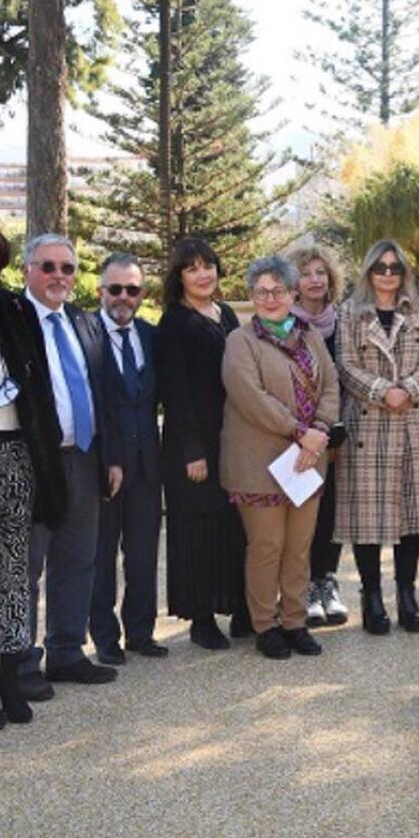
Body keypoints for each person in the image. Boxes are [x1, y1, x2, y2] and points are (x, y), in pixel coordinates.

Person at [0, 218, 64, 729]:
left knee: (14, 570)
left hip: (11, 451)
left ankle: (10, 667)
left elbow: (38, 387)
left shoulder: (14, 311)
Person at [19, 233, 121, 701]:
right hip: (30, 462)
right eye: (48, 267)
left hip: (83, 457)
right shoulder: (8, 320)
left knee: (78, 558)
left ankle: (66, 651)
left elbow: (104, 395)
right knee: (26, 566)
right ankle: (21, 662)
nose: (58, 276)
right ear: (26, 270)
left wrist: (110, 457)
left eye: (67, 268)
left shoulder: (83, 322)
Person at [221, 256, 339, 660]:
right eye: (261, 291)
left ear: (293, 294)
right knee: (267, 546)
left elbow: (330, 387)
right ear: (252, 296)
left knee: (299, 547)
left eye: (278, 290)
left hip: (307, 460)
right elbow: (249, 396)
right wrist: (299, 431)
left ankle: (295, 622)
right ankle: (266, 625)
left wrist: (319, 431)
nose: (270, 298)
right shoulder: (241, 341)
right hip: (260, 462)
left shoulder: (310, 336)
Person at [335, 240, 419, 635]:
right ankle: (371, 599)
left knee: (411, 516)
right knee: (366, 519)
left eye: (395, 268)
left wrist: (411, 390)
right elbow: (346, 364)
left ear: (404, 272)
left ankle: (407, 594)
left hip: (413, 422)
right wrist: (384, 390)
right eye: (380, 267)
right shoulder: (350, 311)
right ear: (368, 270)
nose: (388, 274)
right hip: (369, 425)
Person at [156, 238, 248, 650]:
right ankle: (201, 618)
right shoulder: (174, 323)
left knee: (231, 527)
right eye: (192, 268)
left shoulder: (225, 314)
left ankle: (239, 608)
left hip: (230, 438)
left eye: (208, 265)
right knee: (196, 531)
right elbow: (174, 392)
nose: (203, 273)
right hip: (191, 446)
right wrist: (192, 450)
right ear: (179, 277)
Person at [89, 253, 167, 666]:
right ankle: (104, 638)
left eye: (132, 290)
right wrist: (108, 458)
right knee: (101, 556)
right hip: (105, 465)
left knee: (142, 554)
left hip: (147, 466)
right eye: (115, 289)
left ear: (142, 294)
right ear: (102, 290)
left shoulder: (152, 337)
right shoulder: (84, 335)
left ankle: (141, 632)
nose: (123, 297)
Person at [289, 245, 349, 627]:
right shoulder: (285, 325)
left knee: (334, 510)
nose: (314, 280)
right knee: (303, 511)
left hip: (340, 432)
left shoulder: (344, 323)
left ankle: (328, 582)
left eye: (320, 273)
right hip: (298, 437)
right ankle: (304, 586)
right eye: (306, 273)